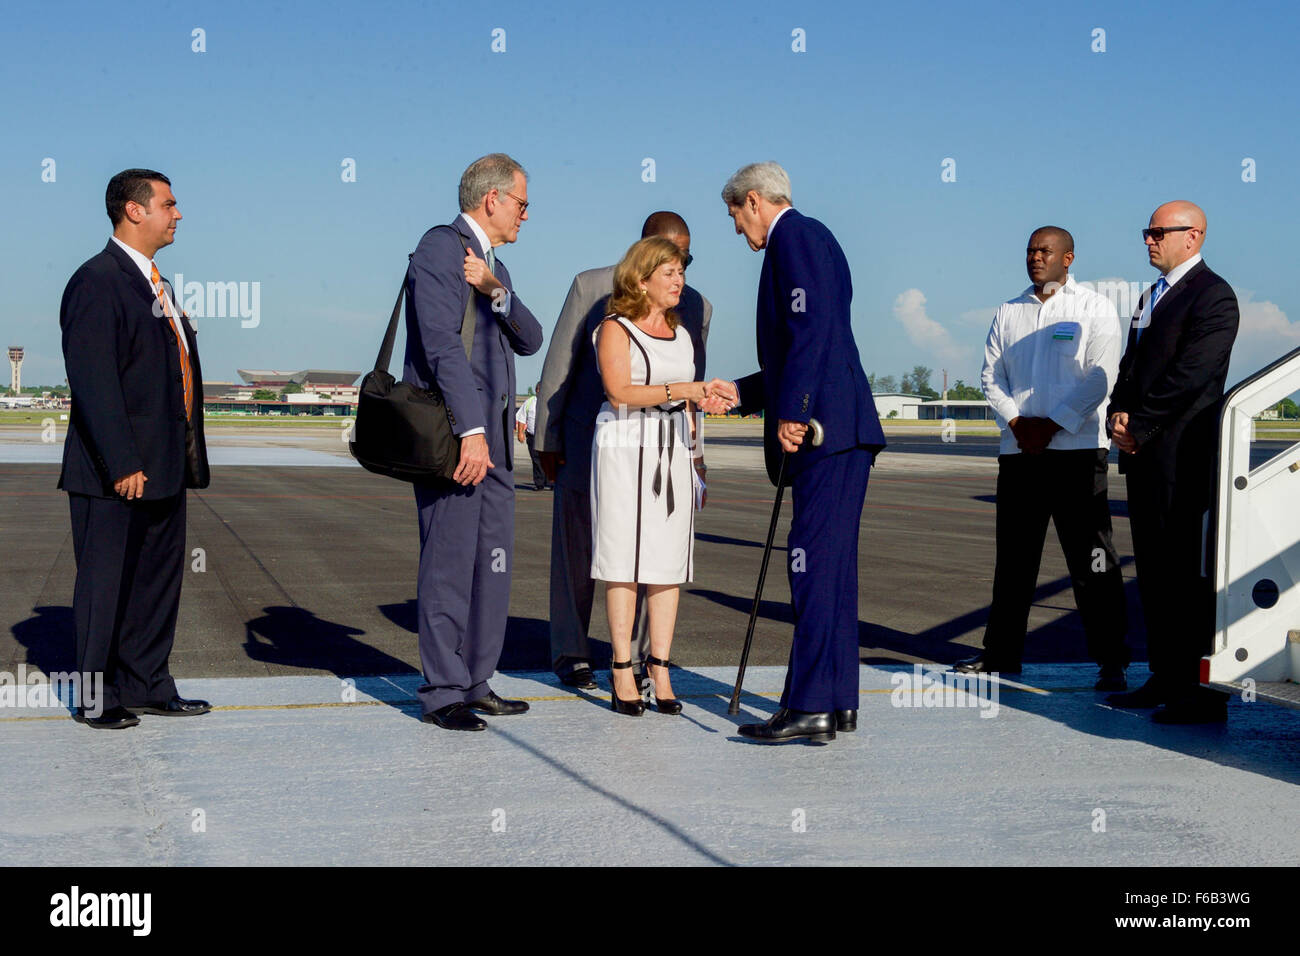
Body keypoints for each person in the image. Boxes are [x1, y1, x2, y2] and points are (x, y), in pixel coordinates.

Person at [722, 162, 886, 743]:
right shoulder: (815, 238)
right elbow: (808, 341)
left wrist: (793, 410)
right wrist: (744, 393)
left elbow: (811, 330)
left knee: (812, 562)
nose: (740, 232)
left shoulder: (794, 236)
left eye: (737, 217)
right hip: (842, 426)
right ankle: (837, 700)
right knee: (832, 568)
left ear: (754, 201)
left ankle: (810, 704)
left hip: (827, 430)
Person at [58, 168, 212, 729]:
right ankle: (96, 698)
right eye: (169, 204)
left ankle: (146, 683)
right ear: (134, 210)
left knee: (155, 582)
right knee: (105, 586)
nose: (178, 214)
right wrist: (122, 462)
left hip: (165, 465)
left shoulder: (157, 285)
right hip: (114, 470)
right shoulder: (97, 281)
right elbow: (95, 383)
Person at [534, 212, 712, 692]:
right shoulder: (591, 287)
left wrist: (695, 456)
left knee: (649, 554)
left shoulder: (697, 306)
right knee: (582, 553)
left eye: (687, 258)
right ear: (643, 250)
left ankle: (634, 660)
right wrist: (545, 440)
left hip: (662, 445)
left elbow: (691, 386)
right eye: (670, 255)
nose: (681, 267)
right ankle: (571, 652)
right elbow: (558, 368)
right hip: (588, 440)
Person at [403, 153, 544, 731]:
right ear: (493, 200)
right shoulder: (442, 247)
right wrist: (473, 430)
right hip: (460, 437)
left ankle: (477, 679)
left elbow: (530, 339)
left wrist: (494, 290)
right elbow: (440, 347)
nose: (526, 216)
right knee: (449, 565)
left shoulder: (491, 268)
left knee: (493, 565)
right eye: (523, 204)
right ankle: (442, 691)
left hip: (494, 444)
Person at [958, 226, 1129, 689]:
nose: (1036, 257)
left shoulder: (1094, 307)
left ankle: (1111, 660)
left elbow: (1101, 376)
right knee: (1014, 561)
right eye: (1031, 250)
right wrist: (1018, 424)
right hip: (1019, 453)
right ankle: (1000, 655)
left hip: (1076, 452)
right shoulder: (1008, 311)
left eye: (1046, 251)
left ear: (1068, 258)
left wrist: (1051, 424)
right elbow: (991, 375)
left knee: (1092, 558)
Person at [1106, 201, 1239, 724]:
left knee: (1187, 576)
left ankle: (1200, 693)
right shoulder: (1151, 297)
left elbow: (1194, 374)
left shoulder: (1213, 295)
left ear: (1194, 236)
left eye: (1159, 232)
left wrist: (1139, 424)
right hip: (1144, 456)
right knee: (1157, 574)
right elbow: (1131, 364)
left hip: (1183, 458)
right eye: (1147, 231)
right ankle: (1163, 676)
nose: (1149, 240)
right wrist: (1118, 412)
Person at [590, 237, 731, 716]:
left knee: (668, 563)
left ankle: (661, 666)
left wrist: (697, 458)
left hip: (673, 452)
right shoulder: (615, 329)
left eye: (681, 273)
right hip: (624, 450)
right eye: (669, 273)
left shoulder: (685, 335)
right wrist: (684, 388)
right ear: (641, 278)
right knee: (624, 561)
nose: (679, 282)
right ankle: (621, 669)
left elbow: (689, 405)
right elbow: (617, 391)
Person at [514, 384, 548, 490]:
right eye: (538, 389)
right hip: (532, 436)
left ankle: (551, 482)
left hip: (547, 437)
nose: (540, 391)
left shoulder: (550, 401)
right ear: (536, 390)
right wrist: (520, 433)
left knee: (548, 459)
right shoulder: (529, 402)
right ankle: (539, 484)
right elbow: (521, 418)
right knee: (536, 460)